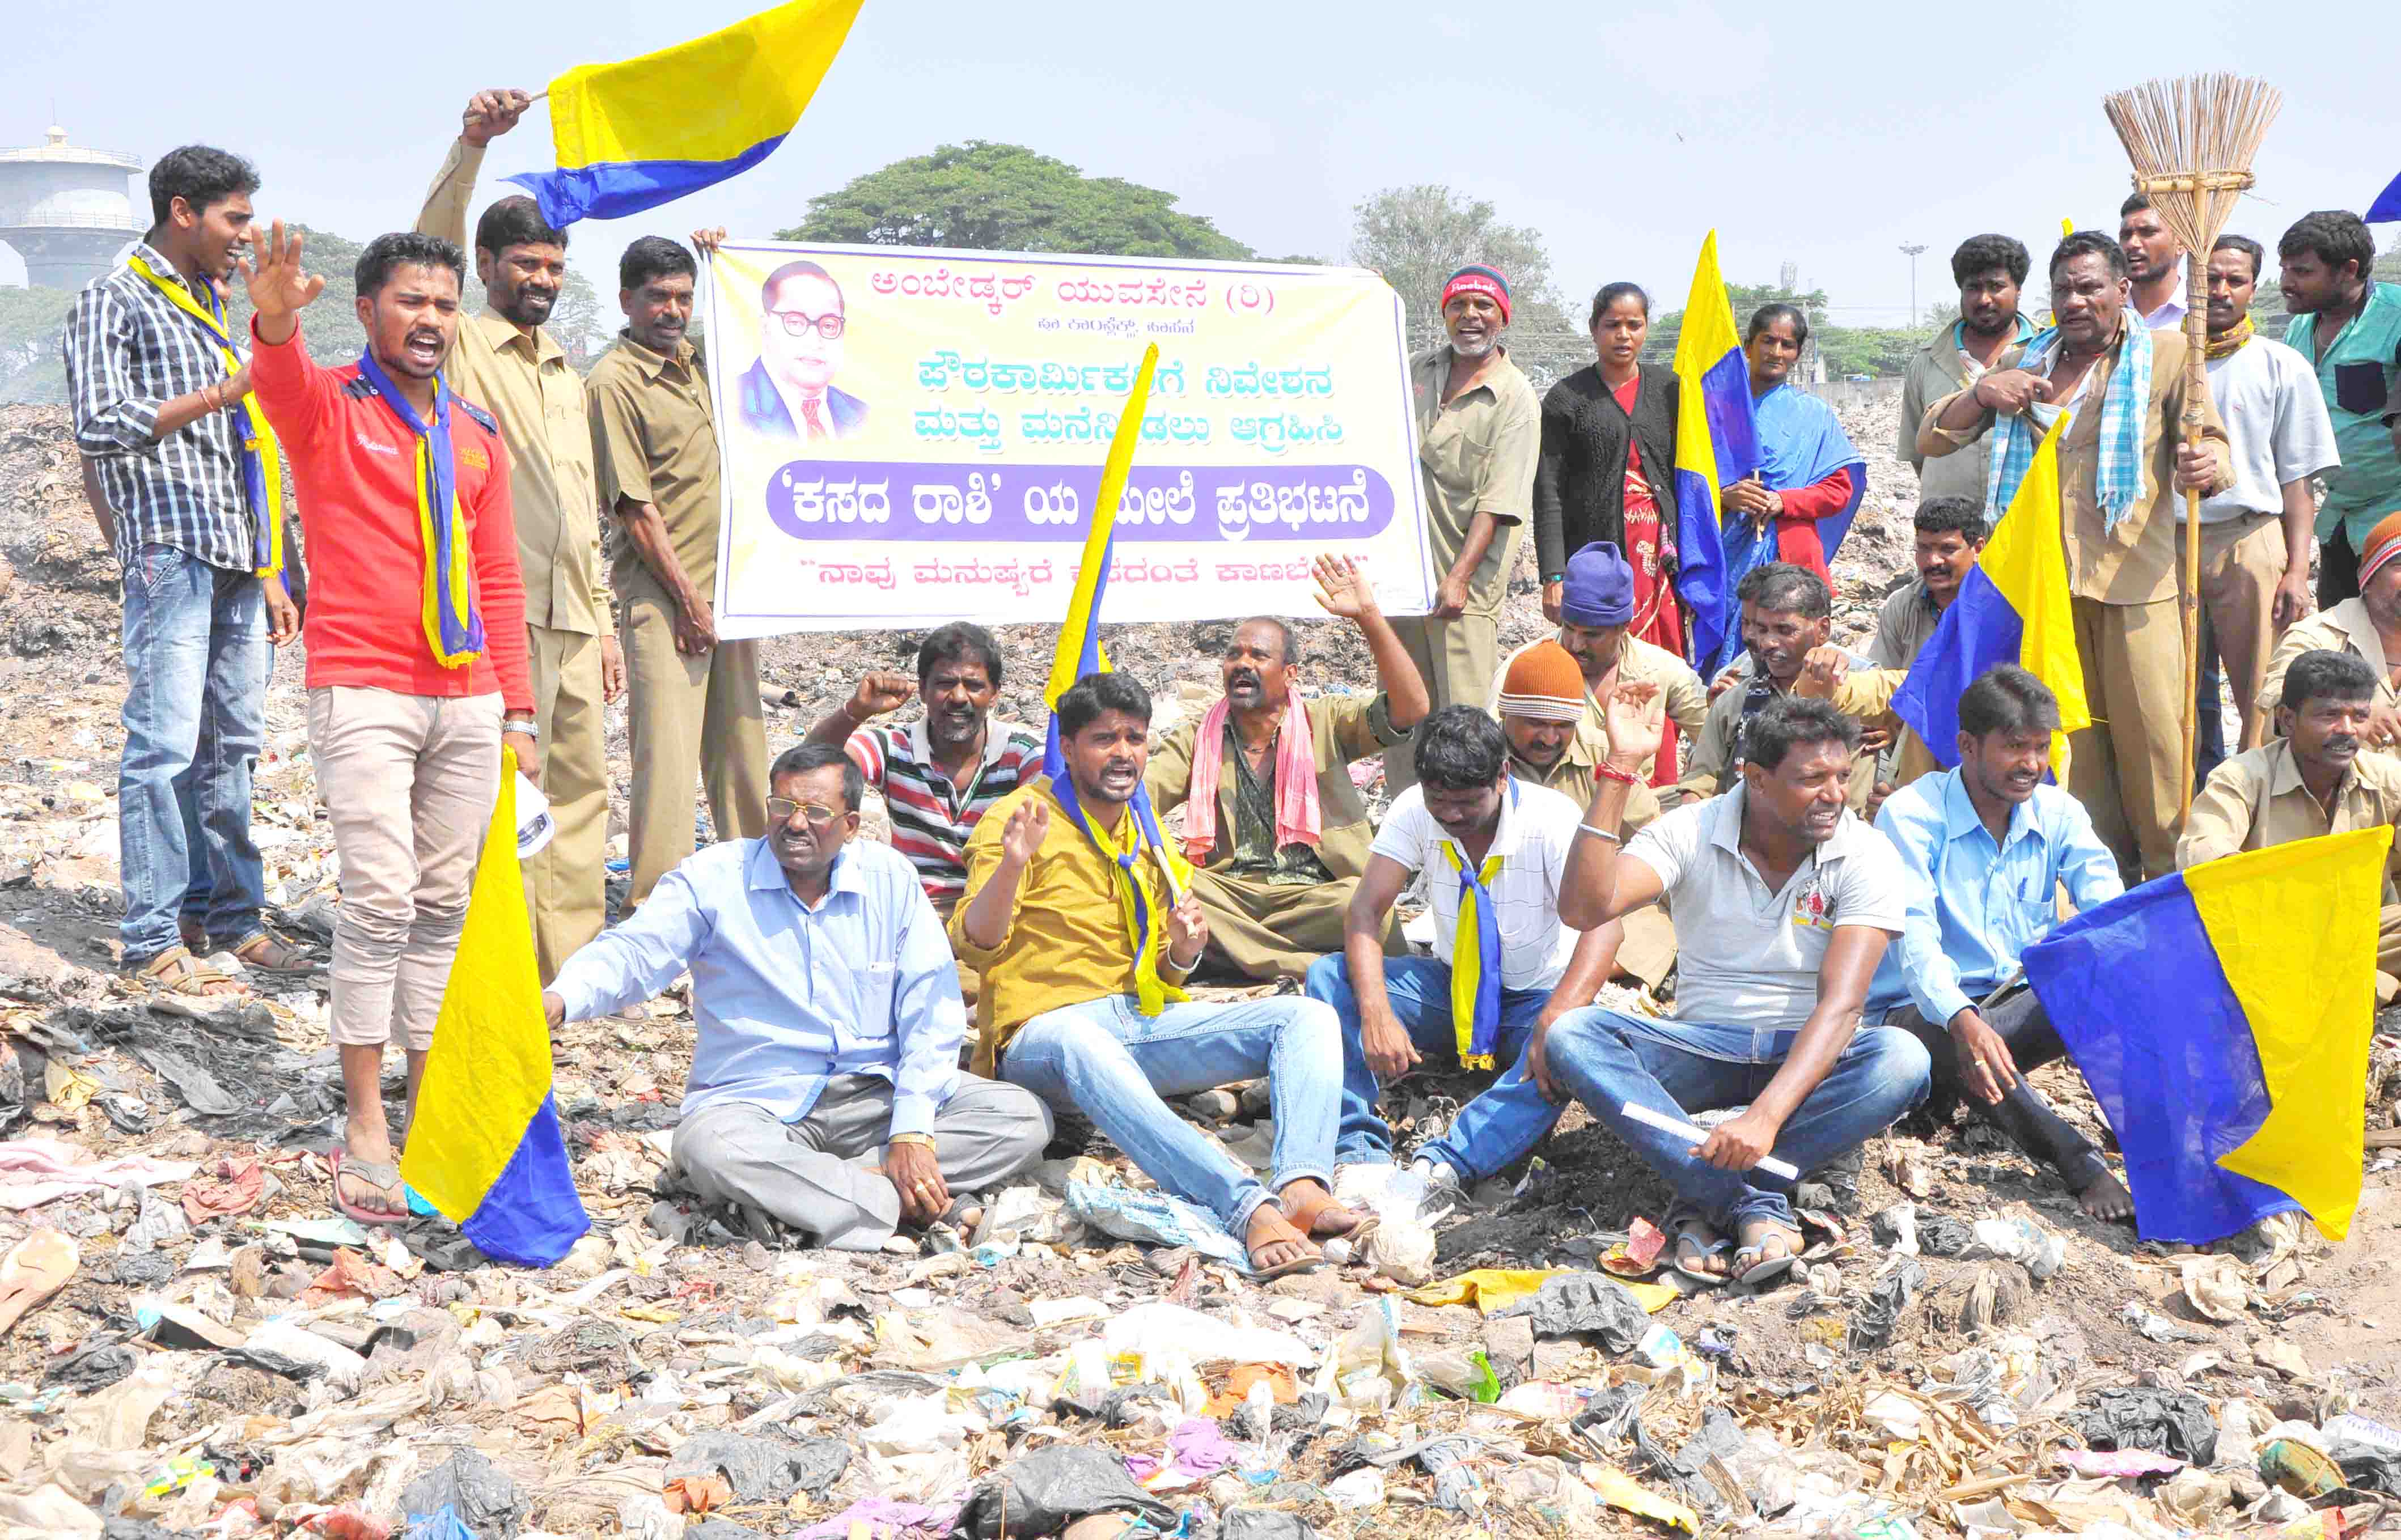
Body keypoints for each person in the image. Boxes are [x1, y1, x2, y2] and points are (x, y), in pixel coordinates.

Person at [243, 222, 535, 1221]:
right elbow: (276, 375)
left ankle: (428, 1096)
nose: (431, 321)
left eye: (447, 305)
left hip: (468, 697)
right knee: (378, 900)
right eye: (411, 302)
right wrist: (276, 316)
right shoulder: (330, 407)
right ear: (367, 311)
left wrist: (521, 711)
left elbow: (498, 574)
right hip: (364, 686)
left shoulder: (477, 435)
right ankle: (365, 1118)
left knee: (445, 905)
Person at [544, 745, 1051, 1249]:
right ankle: (901, 1199)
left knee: (1025, 1118)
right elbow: (635, 952)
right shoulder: (715, 878)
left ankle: (819, 1194)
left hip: (875, 1092)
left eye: (817, 813)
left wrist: (911, 1131)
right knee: (709, 1147)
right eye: (783, 807)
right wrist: (563, 998)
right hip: (756, 1099)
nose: (796, 824)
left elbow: (931, 1011)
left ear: (851, 824)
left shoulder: (889, 880)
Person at [952, 672, 1365, 1276]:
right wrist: (1014, 865)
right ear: (1066, 748)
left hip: (1134, 1018)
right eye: (1103, 739)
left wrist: (1181, 952)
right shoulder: (1022, 817)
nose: (1123, 753)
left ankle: (1302, 1182)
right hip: (1043, 1035)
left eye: (1134, 738)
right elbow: (975, 944)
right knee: (1080, 1038)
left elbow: (1160, 971)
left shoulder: (1142, 826)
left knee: (1306, 1016)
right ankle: (1244, 1205)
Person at [1538, 694, 1927, 1284]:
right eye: (1811, 778)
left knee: (1902, 1058)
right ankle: (1752, 1203)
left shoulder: (1865, 851)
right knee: (1573, 1033)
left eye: (1842, 775)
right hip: (1702, 1044)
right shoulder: (1690, 830)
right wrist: (1619, 768)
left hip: (1804, 1054)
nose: (1834, 794)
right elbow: (1582, 907)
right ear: (1755, 777)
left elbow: (1842, 1003)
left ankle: (1700, 1201)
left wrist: (1764, 1119)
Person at [64, 145, 306, 996]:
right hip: (171, 546)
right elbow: (98, 424)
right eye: (234, 219)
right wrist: (218, 394)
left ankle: (228, 916)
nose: (245, 237)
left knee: (231, 747)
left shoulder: (210, 303)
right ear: (183, 212)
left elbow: (256, 444)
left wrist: (274, 565)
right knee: (164, 746)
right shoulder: (113, 299)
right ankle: (149, 936)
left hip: (241, 551)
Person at [1922, 230, 2231, 881]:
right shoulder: (2025, 361)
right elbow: (1934, 437)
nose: (2075, 300)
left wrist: (2209, 462)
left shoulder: (2168, 355)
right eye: (2062, 289)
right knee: (2070, 752)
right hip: (2044, 594)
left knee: (2156, 748)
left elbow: (2213, 448)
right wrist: (1982, 392)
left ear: (2122, 290)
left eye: (2090, 287)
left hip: (2136, 588)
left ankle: (2167, 884)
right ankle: (2096, 884)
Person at [416, 88, 621, 982]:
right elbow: (429, 238)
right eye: (525, 265)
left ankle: (566, 975)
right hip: (498, 620)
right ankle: (497, 969)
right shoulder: (458, 344)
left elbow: (584, 518)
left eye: (553, 267)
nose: (540, 280)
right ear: (488, 266)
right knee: (505, 795)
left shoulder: (564, 372)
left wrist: (607, 623)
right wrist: (470, 147)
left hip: (576, 617)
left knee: (582, 798)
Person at [1304, 705, 1623, 1185]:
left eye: (1467, 803)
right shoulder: (1414, 808)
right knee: (1329, 977)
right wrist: (1376, 1014)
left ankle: (1445, 1166)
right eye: (1440, 802)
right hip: (1454, 992)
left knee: (1566, 1046)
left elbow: (1605, 928)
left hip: (1534, 999)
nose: (1452, 815)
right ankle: (1356, 1148)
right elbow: (1365, 911)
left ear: (1502, 776)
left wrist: (1553, 1022)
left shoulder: (1551, 818)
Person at [1868, 667, 2132, 1221]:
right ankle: (2078, 1161)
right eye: (2014, 747)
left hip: (2011, 1005)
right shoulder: (1911, 815)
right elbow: (1914, 942)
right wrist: (1961, 1019)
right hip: (1920, 1015)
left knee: (2118, 981)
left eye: (2040, 747)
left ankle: (2161, 1140)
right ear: (1966, 745)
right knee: (1956, 1042)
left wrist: (2124, 965)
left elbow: (2106, 904)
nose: (2031, 764)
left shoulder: (2056, 811)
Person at [588, 235, 770, 914]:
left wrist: (723, 264)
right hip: (664, 601)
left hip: (730, 595)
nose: (672, 310)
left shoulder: (697, 365)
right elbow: (635, 510)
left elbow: (757, 334)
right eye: (659, 297)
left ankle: (762, 888)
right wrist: (689, 602)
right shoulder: (613, 382)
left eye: (684, 297)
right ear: (627, 299)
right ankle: (654, 912)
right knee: (665, 764)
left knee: (742, 750)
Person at [1144, 556, 1429, 981]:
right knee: (1169, 888)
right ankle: (1314, 966)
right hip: (1229, 895)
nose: (1242, 664)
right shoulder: (1194, 738)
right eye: (1233, 655)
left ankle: (1244, 958)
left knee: (1359, 900)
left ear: (1290, 673)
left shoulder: (1325, 720)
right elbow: (1138, 803)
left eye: (1258, 655)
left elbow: (1411, 709)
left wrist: (1369, 619)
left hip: (1312, 897)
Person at [2187, 235, 2339, 769]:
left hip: (2248, 539)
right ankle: (2194, 810)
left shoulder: (2280, 364)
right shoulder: (2159, 358)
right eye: (2209, 279)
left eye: (2235, 280)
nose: (2220, 291)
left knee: (2261, 694)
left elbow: (2297, 482)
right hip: (2167, 543)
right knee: (2177, 694)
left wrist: (2297, 571)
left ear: (2255, 287)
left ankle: (2259, 809)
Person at [1388, 264, 1539, 792]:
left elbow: (1499, 500)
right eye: (1459, 305)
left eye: (1483, 307)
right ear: (1444, 313)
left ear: (1502, 317)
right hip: (1402, 578)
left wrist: (1458, 577)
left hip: (1464, 584)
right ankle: (1408, 828)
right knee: (1404, 710)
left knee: (1462, 718)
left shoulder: (1515, 396)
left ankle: (1471, 823)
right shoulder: (1414, 371)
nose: (1470, 317)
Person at [2182, 650, 2401, 1001]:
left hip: (2358, 932)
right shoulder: (2241, 778)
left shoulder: (2387, 779)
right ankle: (2355, 987)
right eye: (2330, 715)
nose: (2347, 730)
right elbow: (2203, 851)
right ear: (2286, 719)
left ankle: (2344, 985)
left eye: (2359, 717)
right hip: (2269, 936)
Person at [806, 622, 1040, 917]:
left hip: (998, 916)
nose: (958, 697)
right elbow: (810, 766)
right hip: (914, 916)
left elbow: (1067, 791)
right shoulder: (894, 747)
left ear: (995, 695)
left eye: (974, 685)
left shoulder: (1022, 753)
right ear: (923, 690)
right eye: (945, 684)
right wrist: (856, 711)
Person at [1796, 497, 1991, 793]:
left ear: (1977, 548)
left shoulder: (1996, 608)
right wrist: (1887, 723)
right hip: (1911, 736)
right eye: (1924, 549)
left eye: (1947, 550)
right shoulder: (1903, 604)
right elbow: (1882, 681)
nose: (1933, 561)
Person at [1531, 282, 1683, 652]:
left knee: (1663, 657)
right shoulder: (1567, 398)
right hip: (1595, 557)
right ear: (1593, 328)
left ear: (1646, 327)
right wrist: (1553, 575)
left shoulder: (1669, 390)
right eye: (1612, 324)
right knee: (1599, 655)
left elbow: (1692, 471)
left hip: (1660, 557)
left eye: (1634, 325)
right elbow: (1547, 490)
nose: (1623, 335)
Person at [1497, 540, 1708, 787]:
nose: (1575, 644)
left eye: (1591, 635)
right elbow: (1488, 756)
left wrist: (1695, 791)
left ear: (1624, 627)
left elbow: (1719, 739)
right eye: (1569, 628)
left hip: (1636, 809)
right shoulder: (1523, 672)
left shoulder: (1659, 670)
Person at [1674, 563, 1876, 811]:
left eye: (1784, 630)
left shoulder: (1856, 697)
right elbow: (1699, 782)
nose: (1767, 642)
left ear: (1822, 630)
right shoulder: (1735, 698)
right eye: (1761, 629)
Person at [2277, 211, 2401, 606]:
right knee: (2341, 636)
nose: (2285, 283)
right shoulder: (2298, 329)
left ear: (2348, 270)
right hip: (2336, 517)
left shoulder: (2394, 319)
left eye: (2301, 271)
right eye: (2284, 269)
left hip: (2392, 514)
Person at [1717, 304, 1866, 623]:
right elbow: (1685, 484)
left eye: (1787, 345)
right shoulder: (1713, 410)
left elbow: (1838, 492)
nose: (1776, 352)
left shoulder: (1814, 415)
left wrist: (1782, 500)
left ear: (1797, 354)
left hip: (1789, 554)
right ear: (1748, 346)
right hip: (1721, 554)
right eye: (1768, 341)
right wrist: (1723, 498)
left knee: (1789, 650)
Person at [1898, 236, 2035, 511]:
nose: (1984, 299)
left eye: (1996, 287)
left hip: (2029, 527)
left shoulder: (2048, 352)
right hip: (1951, 538)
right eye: (1973, 288)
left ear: (2018, 290)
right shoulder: (1926, 363)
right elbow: (1920, 453)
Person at [2259, 510, 2401, 753]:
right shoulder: (2317, 636)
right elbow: (2281, 700)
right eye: (2400, 565)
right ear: (2367, 579)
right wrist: (2355, 712)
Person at [740, 260, 867, 442]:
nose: (814, 341)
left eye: (829, 325)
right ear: (765, 326)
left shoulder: (862, 414)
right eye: (796, 322)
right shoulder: (731, 404)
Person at [2120, 194, 2189, 332]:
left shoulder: (2201, 313)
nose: (2132, 244)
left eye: (2148, 233)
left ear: (2181, 243)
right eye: (2126, 236)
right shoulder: (2108, 312)